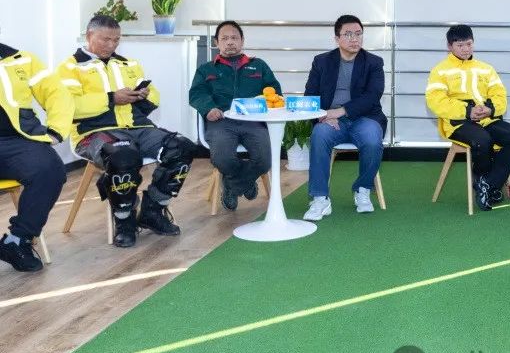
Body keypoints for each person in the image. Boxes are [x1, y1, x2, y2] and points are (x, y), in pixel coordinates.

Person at [58, 16, 197, 248]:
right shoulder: (69, 68)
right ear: (89, 36)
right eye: (106, 39)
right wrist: (112, 98)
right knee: (123, 157)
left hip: (138, 127)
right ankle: (124, 221)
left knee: (182, 147)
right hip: (93, 132)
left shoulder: (129, 64)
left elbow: (155, 97)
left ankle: (153, 210)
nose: (111, 45)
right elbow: (69, 107)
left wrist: (143, 95)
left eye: (116, 40)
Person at [426, 24, 510, 211]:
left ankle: (487, 184)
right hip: (457, 123)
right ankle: (487, 185)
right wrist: (467, 111)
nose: (465, 49)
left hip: (487, 119)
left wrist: (490, 109)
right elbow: (436, 101)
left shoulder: (486, 69)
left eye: (469, 44)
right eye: (460, 45)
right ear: (449, 46)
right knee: (483, 140)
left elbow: (500, 95)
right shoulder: (439, 71)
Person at [188, 21, 281, 211]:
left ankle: (233, 185)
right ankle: (246, 182)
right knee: (222, 158)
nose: (230, 42)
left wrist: (264, 104)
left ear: (242, 41)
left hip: (253, 122)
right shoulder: (206, 69)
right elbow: (196, 94)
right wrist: (209, 108)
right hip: (221, 122)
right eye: (224, 38)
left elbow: (275, 92)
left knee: (265, 159)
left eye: (234, 38)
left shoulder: (259, 66)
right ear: (217, 42)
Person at [303, 15, 387, 221]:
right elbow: (310, 95)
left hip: (364, 118)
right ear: (337, 38)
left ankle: (362, 189)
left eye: (358, 34)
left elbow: (372, 96)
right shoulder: (321, 62)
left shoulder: (373, 62)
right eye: (348, 34)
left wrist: (340, 112)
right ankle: (320, 198)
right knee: (319, 135)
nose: (354, 39)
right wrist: (323, 116)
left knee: (372, 139)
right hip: (330, 121)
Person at [0, 38, 73, 272]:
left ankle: (17, 240)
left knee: (49, 170)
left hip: (17, 139)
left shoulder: (21, 59)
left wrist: (56, 130)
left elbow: (56, 92)